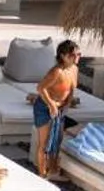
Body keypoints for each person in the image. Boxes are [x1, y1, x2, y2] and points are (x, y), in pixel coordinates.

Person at [31, 39, 81, 179]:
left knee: (57, 141)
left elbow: (71, 90)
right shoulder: (56, 72)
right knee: (45, 142)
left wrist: (67, 105)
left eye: (78, 54)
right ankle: (42, 175)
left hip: (60, 108)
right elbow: (41, 88)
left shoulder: (74, 69)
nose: (77, 58)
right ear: (63, 56)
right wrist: (52, 105)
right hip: (44, 107)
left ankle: (53, 172)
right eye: (73, 55)